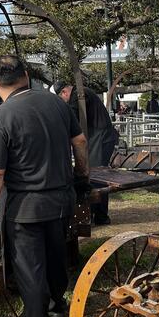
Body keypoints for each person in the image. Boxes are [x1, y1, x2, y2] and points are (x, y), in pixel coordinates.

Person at [0, 56, 89, 317]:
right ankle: (55, 304)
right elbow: (80, 142)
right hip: (62, 200)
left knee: (30, 269)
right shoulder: (57, 104)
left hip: (26, 208)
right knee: (56, 255)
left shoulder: (0, 117)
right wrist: (81, 174)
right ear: (26, 75)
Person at [51, 80, 119, 225]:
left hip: (100, 138)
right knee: (93, 175)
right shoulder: (81, 93)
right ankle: (95, 213)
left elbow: (72, 118)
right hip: (97, 138)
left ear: (64, 92)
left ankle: (101, 216)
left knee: (97, 175)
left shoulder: (79, 95)